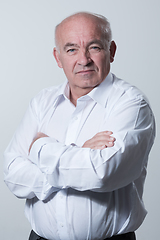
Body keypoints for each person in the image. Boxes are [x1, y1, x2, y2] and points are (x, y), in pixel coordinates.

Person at [4, 12, 155, 240]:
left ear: (111, 51)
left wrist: (40, 149)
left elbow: (102, 173)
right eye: (71, 49)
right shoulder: (42, 103)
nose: (83, 60)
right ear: (58, 57)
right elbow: (12, 174)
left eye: (94, 47)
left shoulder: (132, 103)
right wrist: (81, 153)